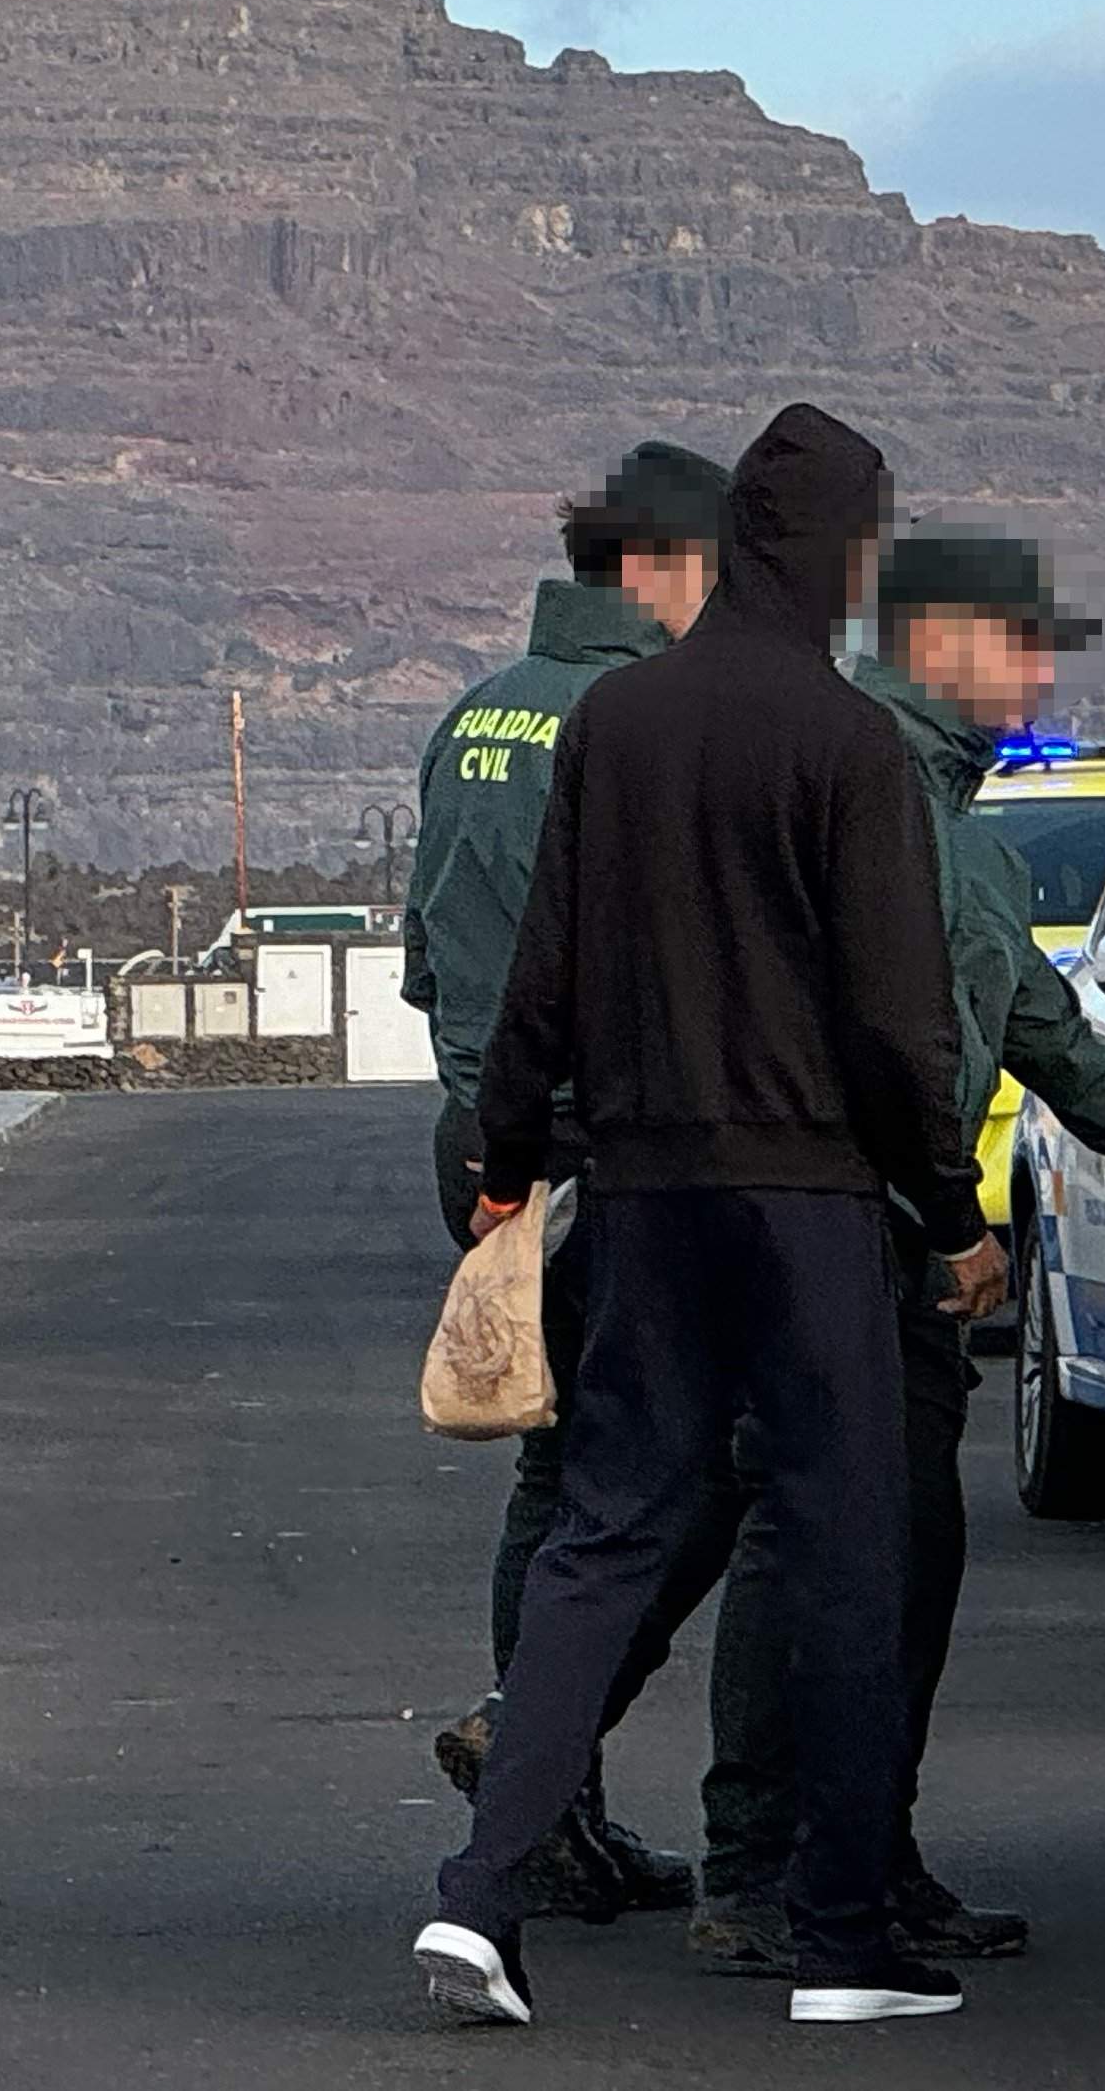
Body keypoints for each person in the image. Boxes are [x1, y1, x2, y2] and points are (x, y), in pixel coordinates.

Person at [413, 403, 993, 2030]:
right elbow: (898, 1025)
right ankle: (843, 1939)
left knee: (604, 1538)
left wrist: (510, 1161)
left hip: (649, 1196)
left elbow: (543, 975)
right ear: (843, 555)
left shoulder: (619, 727)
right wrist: (948, 1211)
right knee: (843, 1555)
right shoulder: (849, 743)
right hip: (809, 1208)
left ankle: (479, 1898)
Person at [690, 530, 1105, 1972]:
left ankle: (864, 1850)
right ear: (941, 649)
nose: (1039, 677)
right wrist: (949, 1215)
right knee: (802, 1549)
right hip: (824, 1236)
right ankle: (757, 1868)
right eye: (1019, 648)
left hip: (888, 1246)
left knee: (899, 1560)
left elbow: (1047, 1041)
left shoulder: (962, 840)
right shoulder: (858, 800)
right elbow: (880, 1049)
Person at [400, 437, 737, 1925]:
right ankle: (537, 1774)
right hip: (600, 1151)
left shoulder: (471, 715)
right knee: (640, 1485)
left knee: (550, 1473)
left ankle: (550, 1803)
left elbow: (420, 952)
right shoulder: (629, 716)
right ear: (659, 567)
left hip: (480, 1141)